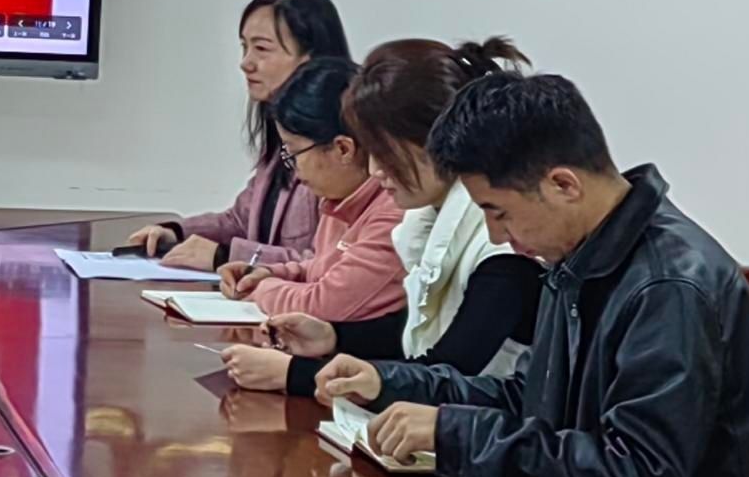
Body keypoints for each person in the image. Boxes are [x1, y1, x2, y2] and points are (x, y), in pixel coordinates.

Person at [318, 73, 749, 477]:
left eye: (498, 212)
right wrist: (389, 382)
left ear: (563, 185)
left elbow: (637, 474)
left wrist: (455, 435)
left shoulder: (668, 287)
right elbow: (531, 398)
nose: (498, 236)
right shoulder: (580, 259)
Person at [222, 39, 542, 397]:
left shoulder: (502, 245)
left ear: (435, 142)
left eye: (385, 153)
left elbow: (447, 373)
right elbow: (413, 333)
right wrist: (333, 337)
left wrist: (298, 374)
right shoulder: (430, 217)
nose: (375, 170)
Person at [126, 0, 349, 269]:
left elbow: (327, 264)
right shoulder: (281, 139)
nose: (245, 63)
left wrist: (227, 256)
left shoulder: (338, 153)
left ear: (310, 59)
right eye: (244, 47)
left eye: (262, 49)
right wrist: (177, 233)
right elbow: (241, 221)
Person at [211, 57, 403, 343]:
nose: (294, 171)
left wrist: (259, 290)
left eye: (294, 153)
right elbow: (319, 268)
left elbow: (323, 304)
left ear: (343, 149)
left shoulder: (393, 212)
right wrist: (267, 273)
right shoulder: (339, 200)